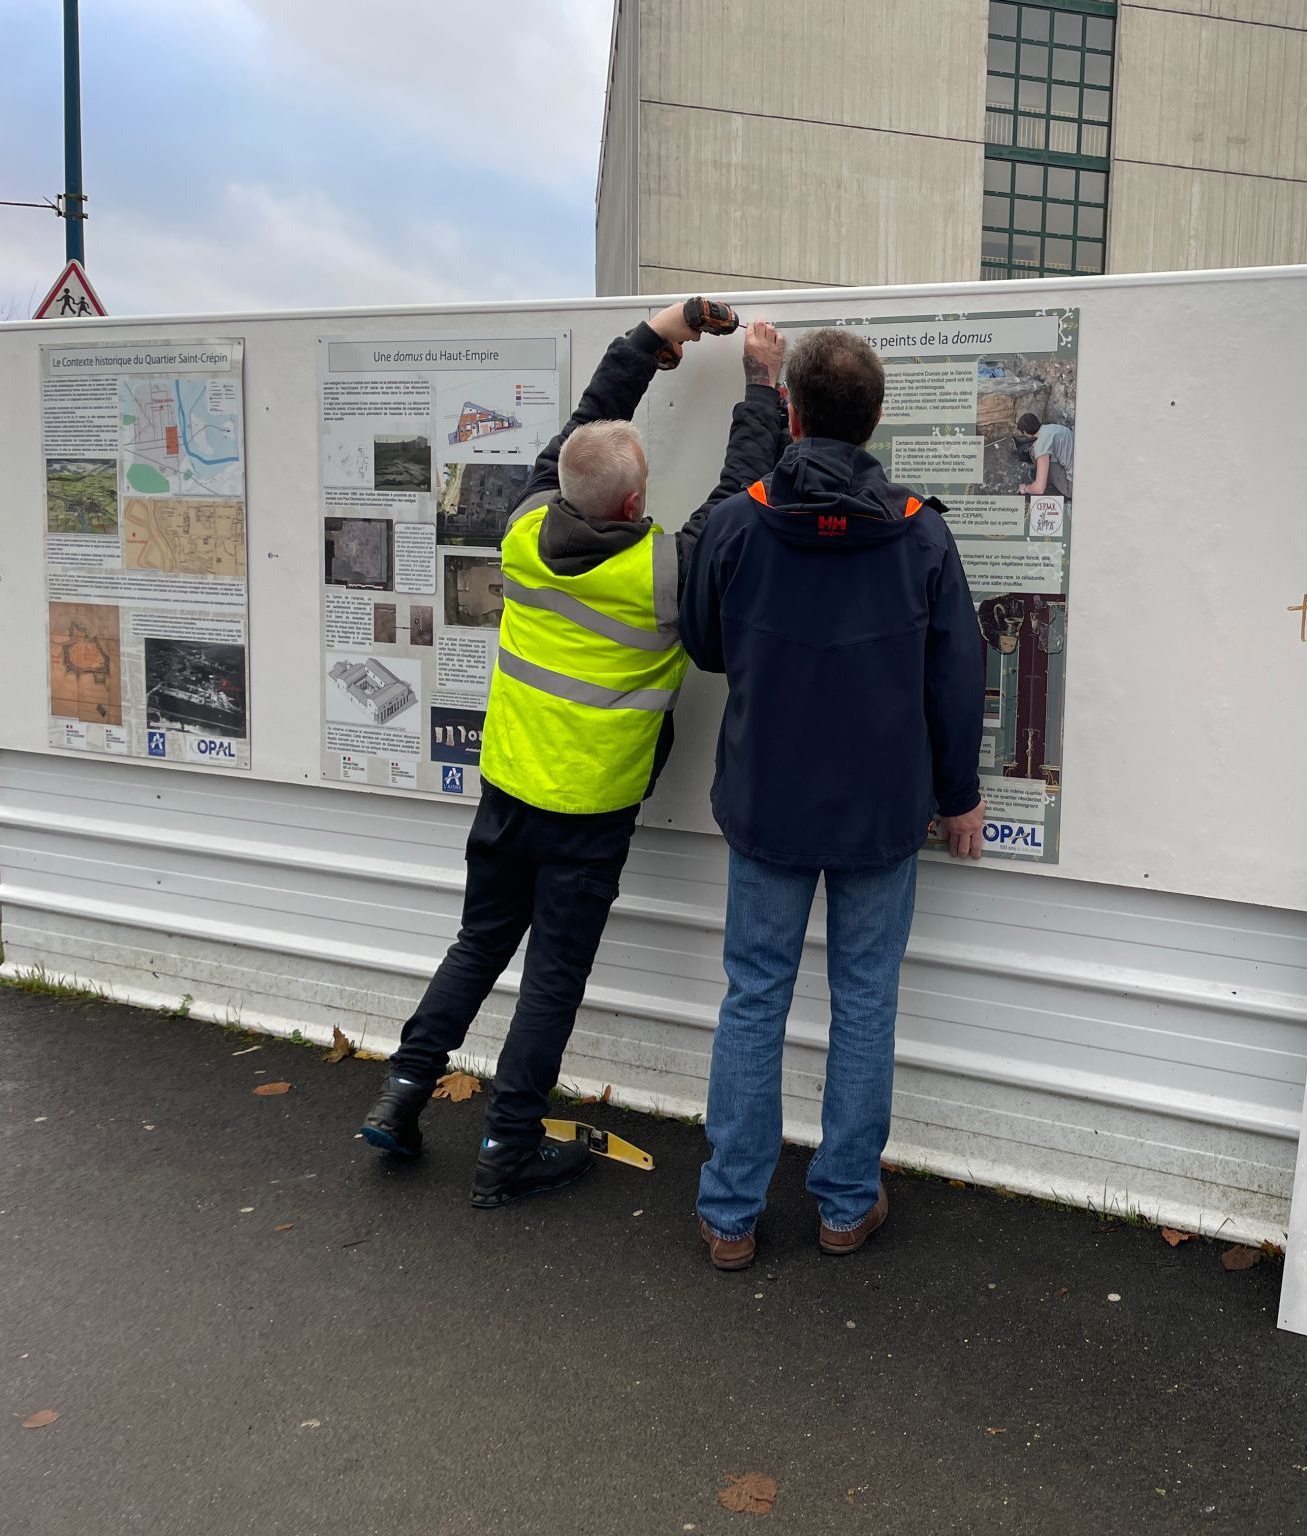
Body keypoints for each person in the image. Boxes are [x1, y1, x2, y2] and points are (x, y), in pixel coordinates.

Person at [357, 304, 793, 1210]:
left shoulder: (521, 529)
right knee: (552, 979)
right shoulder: (666, 574)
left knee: (479, 943)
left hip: (509, 787)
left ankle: (401, 1093)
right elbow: (744, 482)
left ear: (560, 488)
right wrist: (761, 385)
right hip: (590, 811)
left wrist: (652, 337)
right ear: (638, 504)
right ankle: (507, 1147)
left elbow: (588, 420)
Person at [681, 327, 986, 1270]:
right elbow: (957, 674)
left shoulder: (739, 523)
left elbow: (705, 645)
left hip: (767, 803)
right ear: (877, 420)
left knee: (753, 998)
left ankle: (730, 1215)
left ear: (795, 417)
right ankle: (846, 1205)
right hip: (882, 811)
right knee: (864, 1000)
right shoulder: (922, 531)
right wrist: (961, 796)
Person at [1017, 412, 1074, 499]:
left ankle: (1043, 477)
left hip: (1074, 485)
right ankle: (1042, 473)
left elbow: (1039, 489)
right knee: (1033, 450)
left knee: (1034, 451)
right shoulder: (1051, 428)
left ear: (1024, 432)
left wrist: (1025, 488)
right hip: (1079, 462)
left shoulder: (1040, 446)